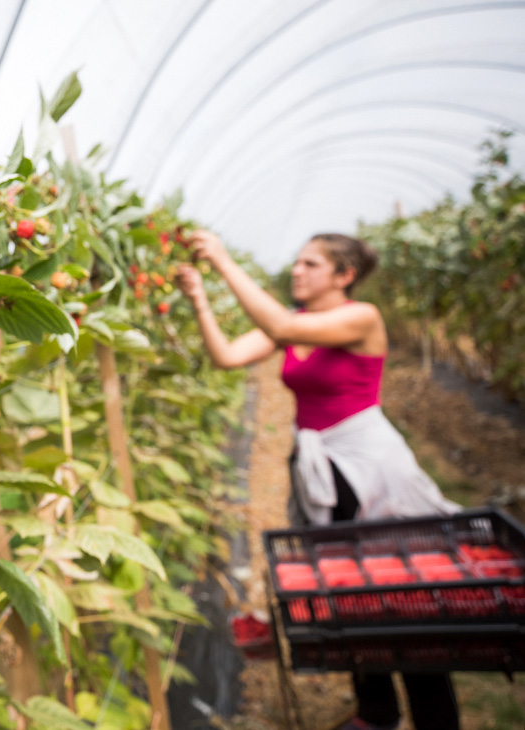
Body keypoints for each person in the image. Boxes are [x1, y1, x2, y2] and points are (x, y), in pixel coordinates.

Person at [175, 231, 461, 730]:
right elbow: (227, 355)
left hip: (369, 465)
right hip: (320, 466)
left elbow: (280, 324)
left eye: (311, 264)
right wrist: (200, 300)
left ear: (344, 276)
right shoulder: (300, 325)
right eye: (298, 262)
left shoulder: (361, 317)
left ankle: (435, 718)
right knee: (342, 587)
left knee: (401, 590)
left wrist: (223, 259)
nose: (297, 271)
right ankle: (376, 711)